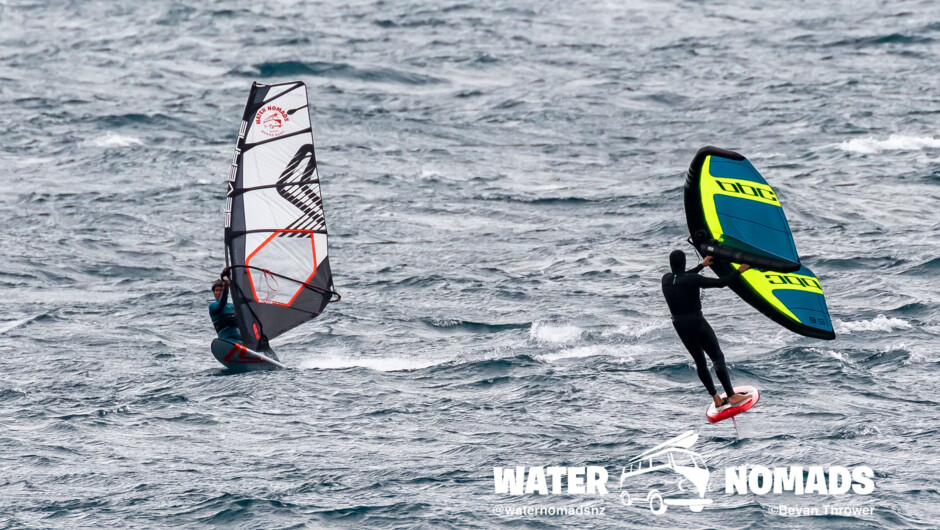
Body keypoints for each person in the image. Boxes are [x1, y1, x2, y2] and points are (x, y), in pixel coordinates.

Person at [662, 250, 751, 410]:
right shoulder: (692, 279)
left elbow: (681, 277)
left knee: (700, 361)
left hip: (679, 325)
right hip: (696, 322)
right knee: (717, 357)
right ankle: (731, 396)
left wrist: (701, 266)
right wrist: (739, 270)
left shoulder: (666, 279)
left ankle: (716, 398)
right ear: (683, 262)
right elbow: (721, 283)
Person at [209, 277, 242, 344]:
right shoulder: (212, 306)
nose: (218, 293)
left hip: (241, 339)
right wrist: (226, 289)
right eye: (216, 290)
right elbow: (222, 303)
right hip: (227, 341)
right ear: (214, 293)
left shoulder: (232, 306)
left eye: (221, 290)